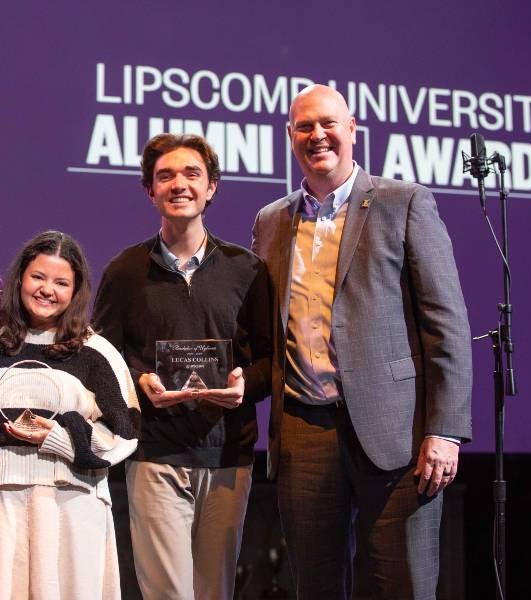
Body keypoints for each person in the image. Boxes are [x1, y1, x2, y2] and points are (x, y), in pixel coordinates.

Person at [252, 84, 473, 599]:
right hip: (304, 426)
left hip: (397, 429)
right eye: (304, 127)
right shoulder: (270, 222)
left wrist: (445, 429)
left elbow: (447, 323)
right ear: (290, 137)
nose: (317, 135)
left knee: (402, 584)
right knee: (315, 586)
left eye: (328, 123)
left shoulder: (405, 203)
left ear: (352, 129)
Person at [93, 133, 272, 600]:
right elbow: (100, 363)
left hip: (228, 455)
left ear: (212, 186)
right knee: (169, 595)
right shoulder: (125, 272)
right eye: (165, 176)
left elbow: (273, 359)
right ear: (149, 190)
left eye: (192, 174)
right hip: (155, 453)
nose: (179, 184)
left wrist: (243, 386)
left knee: (215, 593)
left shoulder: (247, 270)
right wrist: (139, 384)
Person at [0, 230, 139, 600]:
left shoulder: (95, 350)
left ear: (75, 292)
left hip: (71, 501)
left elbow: (126, 431)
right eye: (38, 277)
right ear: (21, 279)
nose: (47, 290)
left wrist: (59, 439)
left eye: (61, 282)